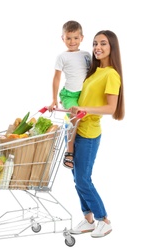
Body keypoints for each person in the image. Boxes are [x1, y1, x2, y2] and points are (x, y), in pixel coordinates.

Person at [69, 30, 125, 238]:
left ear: (112, 47)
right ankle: (88, 219)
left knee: (83, 179)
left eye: (103, 43)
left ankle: (104, 220)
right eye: (94, 43)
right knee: (77, 178)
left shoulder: (111, 74)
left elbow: (111, 108)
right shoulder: (94, 72)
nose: (97, 47)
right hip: (77, 130)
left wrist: (86, 110)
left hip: (89, 134)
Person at [48, 20, 91, 170]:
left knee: (82, 120)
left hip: (84, 93)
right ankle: (69, 150)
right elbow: (56, 78)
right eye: (68, 38)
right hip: (69, 95)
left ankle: (78, 146)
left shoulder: (86, 55)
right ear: (63, 38)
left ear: (82, 38)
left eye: (75, 38)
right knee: (73, 119)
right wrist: (54, 100)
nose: (72, 42)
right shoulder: (62, 57)